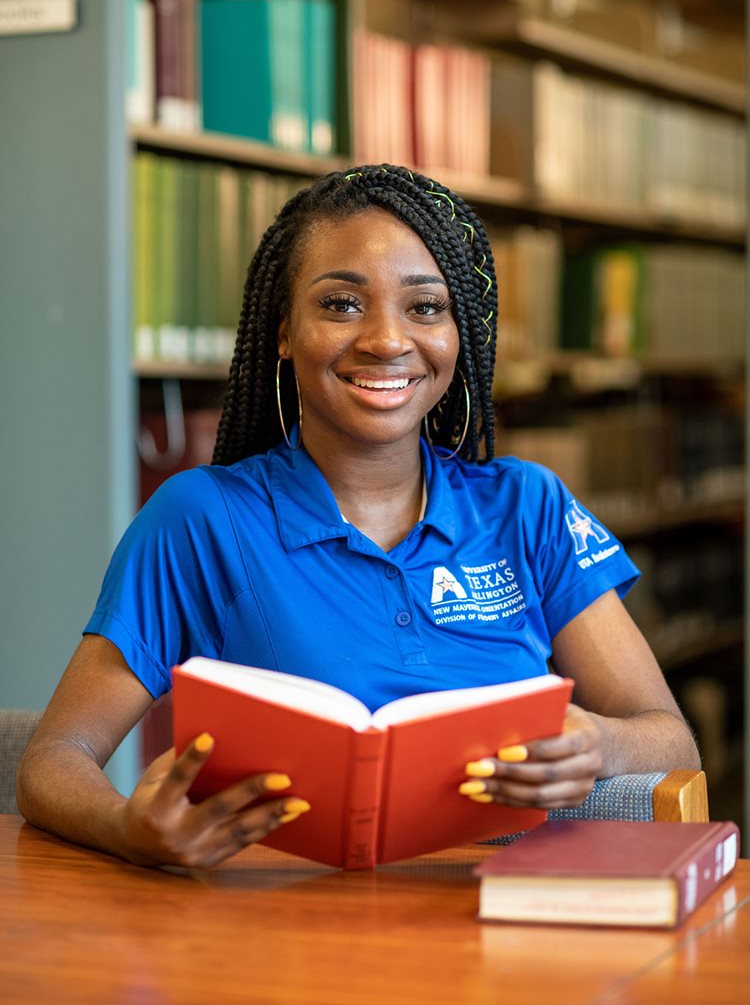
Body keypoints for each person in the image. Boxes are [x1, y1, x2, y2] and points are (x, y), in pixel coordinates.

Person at [17, 164, 700, 868]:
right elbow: (51, 760)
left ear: (458, 334)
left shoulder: (528, 507)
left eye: (425, 307)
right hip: (280, 933)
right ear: (284, 333)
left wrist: (597, 743)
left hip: (502, 922)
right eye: (342, 304)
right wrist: (127, 827)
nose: (386, 339)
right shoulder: (202, 518)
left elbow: (671, 739)